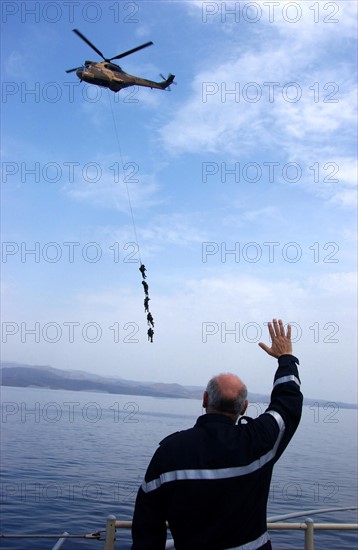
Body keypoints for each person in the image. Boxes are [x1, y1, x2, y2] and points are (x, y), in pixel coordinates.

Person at [131, 319, 303, 550]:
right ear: (244, 407)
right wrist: (286, 359)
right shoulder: (258, 441)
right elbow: (287, 405)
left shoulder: (169, 452)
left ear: (204, 400)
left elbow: (147, 525)